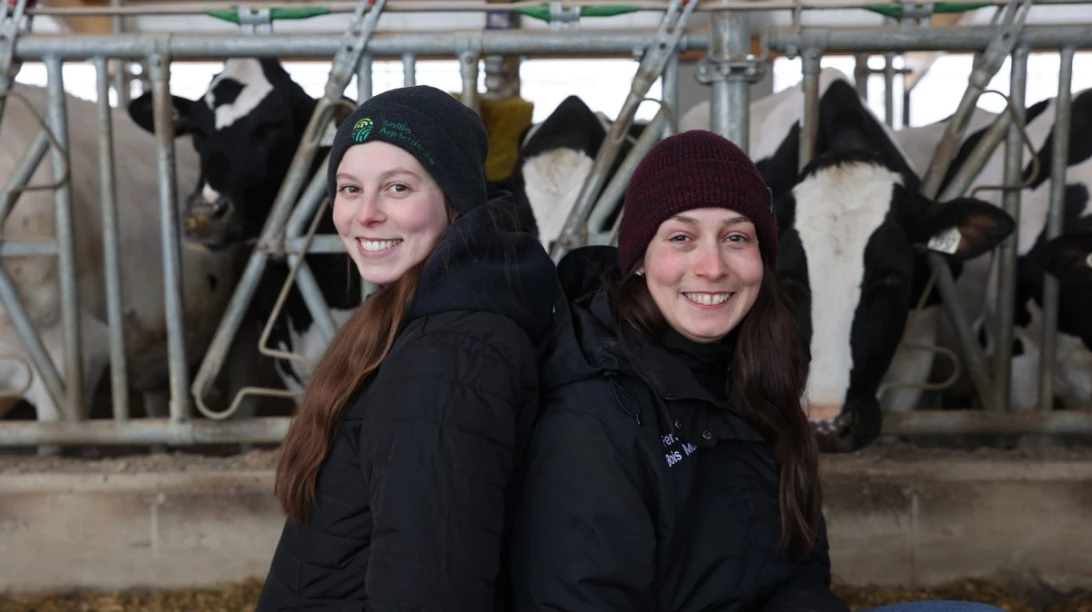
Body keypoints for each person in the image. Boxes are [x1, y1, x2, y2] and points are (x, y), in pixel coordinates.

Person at [508, 130, 1005, 612]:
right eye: (681, 237)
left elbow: (801, 571)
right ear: (638, 258)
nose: (712, 267)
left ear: (765, 257)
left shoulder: (764, 374)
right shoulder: (589, 419)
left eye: (736, 237)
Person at [256, 85, 555, 611]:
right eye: (349, 188)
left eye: (397, 187)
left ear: (455, 201)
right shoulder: (420, 317)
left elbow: (428, 590)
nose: (366, 213)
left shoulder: (447, 361)